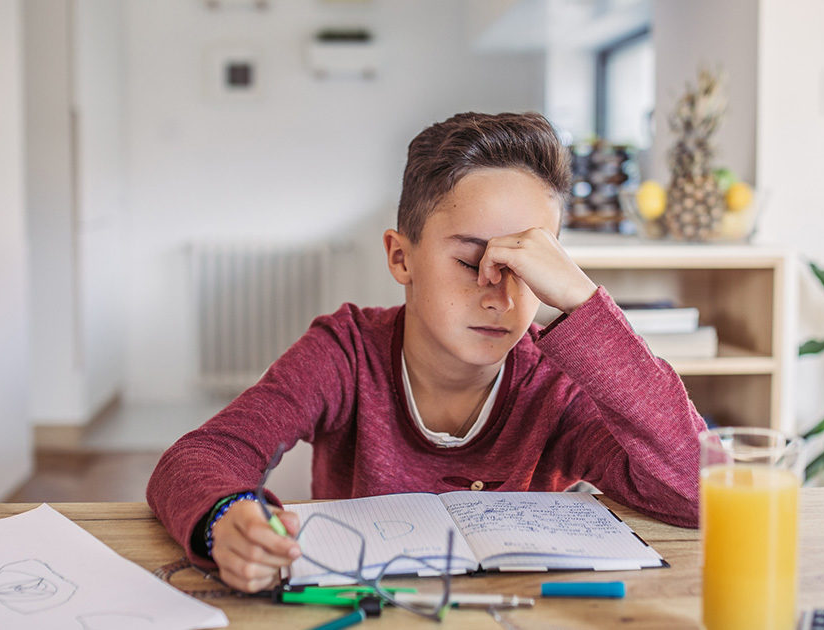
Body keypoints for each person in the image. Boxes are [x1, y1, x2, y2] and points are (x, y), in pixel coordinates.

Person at [146, 111, 706, 594]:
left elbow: (701, 493)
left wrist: (585, 305)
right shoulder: (345, 354)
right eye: (471, 263)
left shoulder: (556, 382)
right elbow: (199, 457)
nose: (502, 297)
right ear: (401, 259)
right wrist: (225, 518)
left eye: (530, 270)